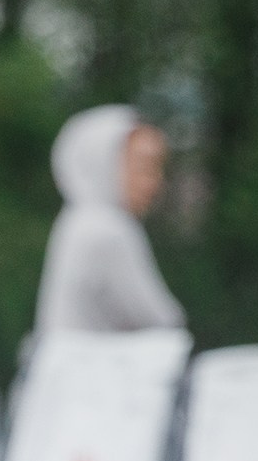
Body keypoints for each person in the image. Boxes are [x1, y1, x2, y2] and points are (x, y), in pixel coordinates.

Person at [34, 105, 184, 333]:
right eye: (144, 167)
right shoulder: (108, 228)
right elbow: (159, 319)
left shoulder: (76, 220)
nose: (155, 183)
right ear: (103, 163)